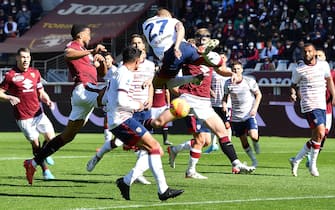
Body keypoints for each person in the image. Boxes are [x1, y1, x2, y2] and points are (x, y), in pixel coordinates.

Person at [145, 28, 256, 175]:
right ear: (195, 38)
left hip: (204, 102)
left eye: (206, 36)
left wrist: (232, 73)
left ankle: (236, 163)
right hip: (188, 98)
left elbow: (220, 69)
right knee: (159, 123)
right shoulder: (188, 54)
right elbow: (171, 80)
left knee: (221, 132)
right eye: (200, 36)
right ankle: (139, 123)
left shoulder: (211, 56)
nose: (203, 38)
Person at [23, 24, 108, 185]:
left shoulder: (86, 55)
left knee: (68, 135)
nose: (90, 37)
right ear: (81, 34)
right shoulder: (74, 46)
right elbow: (67, 54)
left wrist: (101, 61)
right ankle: (128, 138)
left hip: (86, 94)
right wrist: (91, 52)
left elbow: (101, 73)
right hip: (84, 90)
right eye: (88, 34)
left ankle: (32, 163)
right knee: (112, 93)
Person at [104, 46, 184, 201]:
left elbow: (110, 97)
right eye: (139, 61)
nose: (139, 64)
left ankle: (126, 182)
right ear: (135, 61)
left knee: (154, 150)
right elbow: (121, 100)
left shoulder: (119, 72)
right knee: (154, 147)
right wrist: (137, 105)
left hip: (120, 120)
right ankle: (163, 191)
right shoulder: (125, 74)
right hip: (122, 120)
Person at [0, 48, 55, 180]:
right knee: (35, 144)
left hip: (38, 113)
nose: (26, 60)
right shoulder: (10, 75)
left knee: (52, 139)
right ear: (17, 59)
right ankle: (45, 171)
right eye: (23, 57)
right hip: (24, 117)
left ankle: (45, 155)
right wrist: (9, 98)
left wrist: (47, 100)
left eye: (28, 57)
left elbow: (40, 92)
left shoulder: (35, 72)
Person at [142, 8, 221, 89]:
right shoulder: (172, 20)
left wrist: (176, 47)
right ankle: (207, 54)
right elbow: (180, 28)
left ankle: (193, 78)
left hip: (170, 54)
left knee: (158, 84)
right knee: (214, 63)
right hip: (185, 46)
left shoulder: (145, 24)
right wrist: (177, 45)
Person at [289, 43, 335, 177]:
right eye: (305, 52)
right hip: (309, 104)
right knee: (321, 132)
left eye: (309, 51)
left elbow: (329, 80)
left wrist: (333, 95)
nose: (307, 54)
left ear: (314, 52)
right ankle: (313, 165)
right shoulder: (299, 69)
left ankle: (296, 160)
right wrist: (292, 93)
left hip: (322, 104)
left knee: (317, 136)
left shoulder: (323, 65)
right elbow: (293, 85)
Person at [223, 60, 262, 167]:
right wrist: (224, 105)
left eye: (238, 69)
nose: (236, 71)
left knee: (253, 136)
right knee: (243, 140)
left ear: (242, 69)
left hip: (248, 114)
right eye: (234, 69)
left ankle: (256, 142)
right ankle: (254, 160)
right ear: (231, 70)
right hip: (235, 117)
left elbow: (258, 95)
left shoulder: (249, 81)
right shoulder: (227, 83)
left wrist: (254, 109)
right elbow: (225, 98)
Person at [305, 49, 335, 167]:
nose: (319, 57)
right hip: (316, 106)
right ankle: (308, 158)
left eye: (321, 55)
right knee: (320, 133)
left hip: (327, 107)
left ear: (325, 58)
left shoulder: (331, 73)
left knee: (324, 135)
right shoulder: (311, 72)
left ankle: (308, 156)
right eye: (317, 55)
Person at [205, 53, 232, 154]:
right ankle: (213, 144)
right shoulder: (213, 71)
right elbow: (207, 83)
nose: (222, 59)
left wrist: (228, 99)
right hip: (214, 102)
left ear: (226, 59)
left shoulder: (229, 71)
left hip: (226, 103)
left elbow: (232, 86)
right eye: (220, 57)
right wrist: (210, 91)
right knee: (213, 124)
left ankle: (228, 143)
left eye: (223, 57)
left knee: (227, 124)